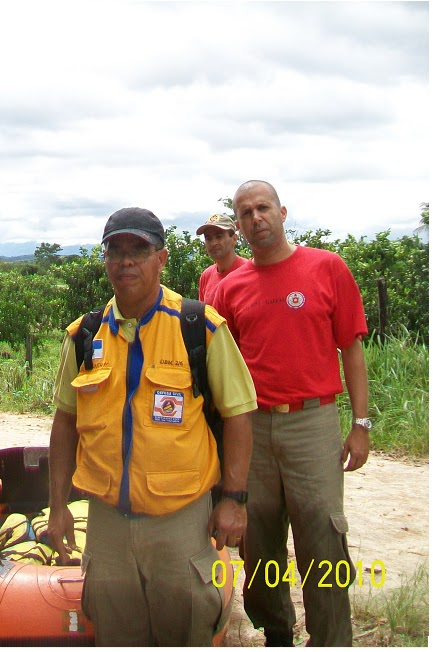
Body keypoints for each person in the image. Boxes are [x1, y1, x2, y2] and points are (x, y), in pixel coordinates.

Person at [46, 207, 257, 646]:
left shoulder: (199, 327)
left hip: (181, 522)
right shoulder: (83, 335)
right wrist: (58, 504)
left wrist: (234, 499)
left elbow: (239, 414)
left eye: (138, 251)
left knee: (185, 629)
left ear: (161, 259)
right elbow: (65, 423)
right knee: (115, 632)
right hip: (106, 524)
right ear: (104, 260)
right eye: (115, 251)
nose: (126, 262)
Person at [212, 180, 370, 647]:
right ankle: (276, 631)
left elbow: (352, 351)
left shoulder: (326, 268)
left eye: (263, 208)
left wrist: (360, 425)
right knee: (258, 538)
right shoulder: (230, 288)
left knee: (323, 534)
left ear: (282, 212)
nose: (255, 217)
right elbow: (220, 370)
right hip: (252, 426)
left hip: (313, 422)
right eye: (245, 212)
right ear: (238, 226)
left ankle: (330, 638)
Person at [196, 213, 248, 304]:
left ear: (234, 239)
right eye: (208, 238)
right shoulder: (206, 276)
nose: (213, 243)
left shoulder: (248, 272)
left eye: (219, 236)